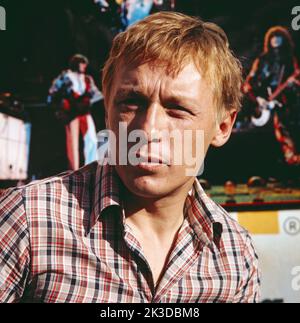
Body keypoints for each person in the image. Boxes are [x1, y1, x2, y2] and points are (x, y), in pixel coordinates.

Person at [0, 12, 260, 303]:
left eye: (177, 109)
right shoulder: (28, 221)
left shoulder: (235, 255)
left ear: (223, 126)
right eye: (131, 102)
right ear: (108, 108)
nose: (148, 129)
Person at [243, 26, 300, 165]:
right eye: (273, 38)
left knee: (286, 129)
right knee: (272, 134)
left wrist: (294, 83)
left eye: (278, 37)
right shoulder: (262, 60)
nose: (275, 41)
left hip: (286, 102)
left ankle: (291, 159)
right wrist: (257, 99)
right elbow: (249, 84)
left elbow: (296, 79)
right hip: (265, 102)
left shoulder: (289, 60)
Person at [48, 54, 103, 170]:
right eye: (82, 63)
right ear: (76, 63)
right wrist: (59, 107)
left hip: (84, 111)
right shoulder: (66, 76)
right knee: (73, 143)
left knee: (92, 139)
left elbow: (96, 94)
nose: (84, 66)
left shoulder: (87, 78)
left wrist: (90, 100)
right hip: (71, 112)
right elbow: (52, 92)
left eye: (84, 64)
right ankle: (74, 170)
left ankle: (91, 167)